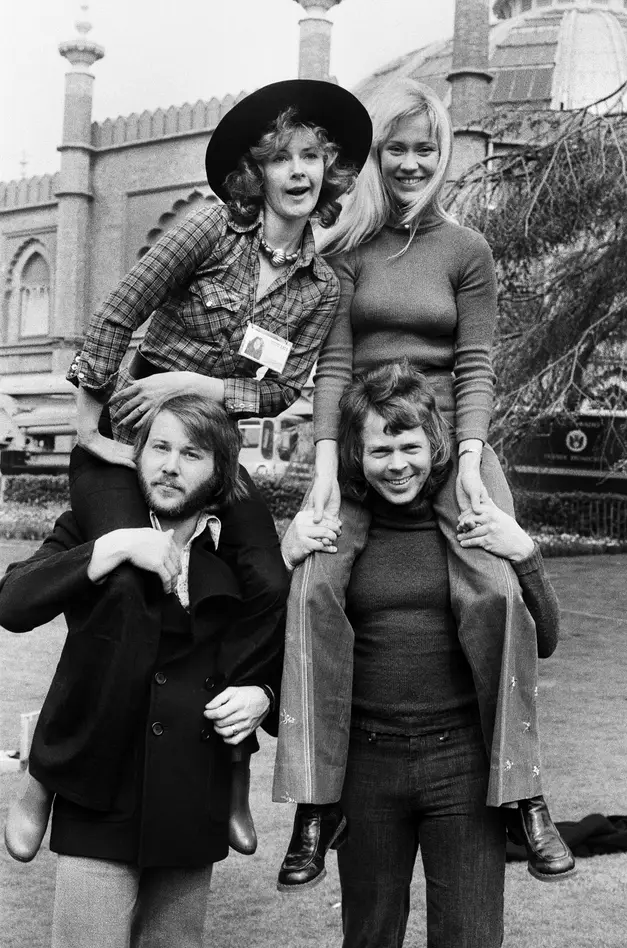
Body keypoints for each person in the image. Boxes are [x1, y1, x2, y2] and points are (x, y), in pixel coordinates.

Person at [4, 78, 372, 861]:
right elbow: (117, 312)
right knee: (128, 593)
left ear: (330, 175)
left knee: (269, 584)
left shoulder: (324, 286)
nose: (300, 171)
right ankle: (47, 770)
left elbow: (279, 387)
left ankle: (232, 762)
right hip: (129, 434)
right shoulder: (211, 230)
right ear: (259, 172)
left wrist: (196, 385)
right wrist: (87, 433)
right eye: (284, 158)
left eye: (314, 158)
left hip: (215, 447)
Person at [273, 78, 574, 888]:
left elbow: (476, 362)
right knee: (313, 588)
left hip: (446, 441)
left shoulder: (467, 252)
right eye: (395, 149)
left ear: (443, 157)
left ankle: (523, 793)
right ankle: (313, 801)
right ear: (374, 158)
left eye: (424, 149)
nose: (410, 163)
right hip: (363, 442)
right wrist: (326, 466)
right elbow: (334, 362)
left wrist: (472, 456)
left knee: (498, 593)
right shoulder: (342, 248)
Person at [0, 392, 338, 948]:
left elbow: (275, 631)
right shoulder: (95, 523)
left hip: (192, 784)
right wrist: (115, 548)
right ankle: (41, 781)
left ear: (220, 473)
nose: (169, 466)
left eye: (191, 454)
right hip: (96, 787)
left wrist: (262, 692)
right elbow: (14, 602)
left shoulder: (241, 549)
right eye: (159, 447)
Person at [280, 363, 568, 948]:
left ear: (435, 444)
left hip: (460, 765)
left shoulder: (473, 527)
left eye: (409, 446)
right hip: (367, 767)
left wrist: (525, 553)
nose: (396, 464)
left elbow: (542, 639)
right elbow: (293, 640)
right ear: (357, 452)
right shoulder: (337, 531)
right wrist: (286, 556)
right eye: (380, 449)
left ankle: (529, 803)